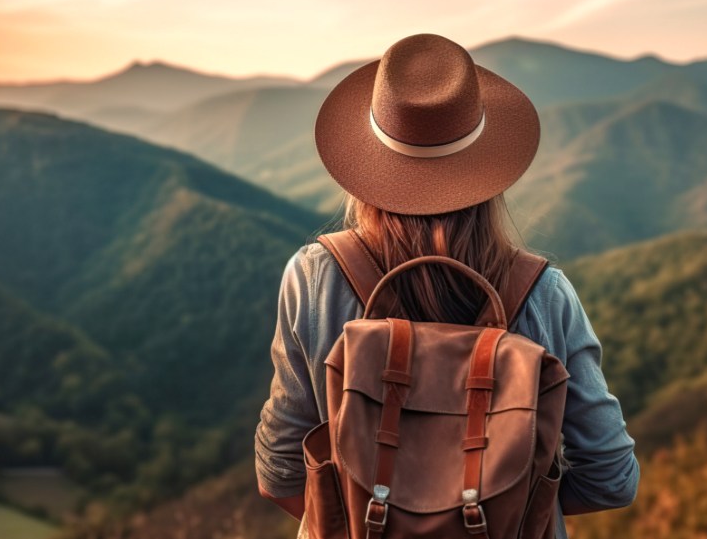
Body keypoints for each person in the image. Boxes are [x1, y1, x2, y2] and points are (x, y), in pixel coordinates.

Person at [255, 33, 639, 538]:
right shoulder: (545, 293)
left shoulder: (312, 278)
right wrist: (509, 509)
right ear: (490, 169)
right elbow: (610, 478)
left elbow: (280, 470)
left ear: (367, 163)